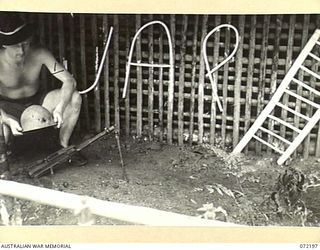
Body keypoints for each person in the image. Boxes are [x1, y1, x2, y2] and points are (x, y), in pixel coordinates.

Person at [0, 13, 86, 165]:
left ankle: (63, 147)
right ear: (5, 45)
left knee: (74, 98)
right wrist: (6, 118)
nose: (22, 50)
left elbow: (69, 80)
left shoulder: (40, 53)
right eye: (16, 46)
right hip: (7, 107)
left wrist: (60, 108)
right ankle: (8, 152)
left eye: (25, 44)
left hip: (38, 102)